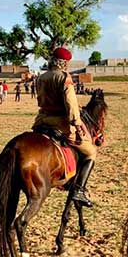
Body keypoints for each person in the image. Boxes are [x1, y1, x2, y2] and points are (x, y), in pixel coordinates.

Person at [33, 47, 97, 207]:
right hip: (60, 123)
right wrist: (77, 123)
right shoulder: (64, 78)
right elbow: (71, 104)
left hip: (41, 121)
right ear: (64, 63)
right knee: (91, 152)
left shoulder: (41, 77)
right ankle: (79, 190)